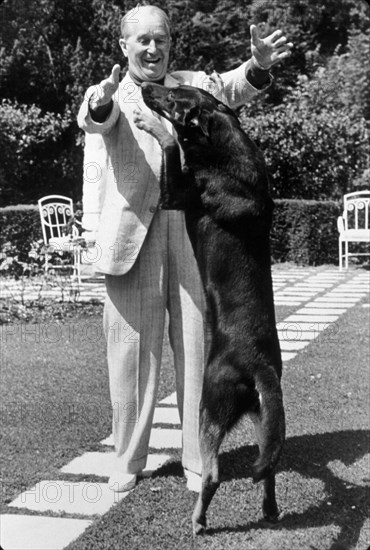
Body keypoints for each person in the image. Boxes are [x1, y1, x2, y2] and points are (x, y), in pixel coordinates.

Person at [77, 4, 292, 493]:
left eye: (161, 39)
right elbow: (95, 116)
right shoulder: (108, 90)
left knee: (198, 351)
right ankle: (127, 460)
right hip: (131, 241)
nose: (153, 48)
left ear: (171, 43)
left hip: (197, 235)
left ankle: (199, 460)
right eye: (142, 40)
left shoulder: (193, 84)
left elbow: (236, 86)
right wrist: (104, 101)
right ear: (123, 46)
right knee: (130, 360)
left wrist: (258, 65)